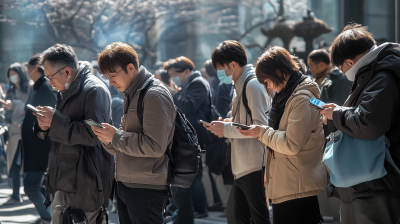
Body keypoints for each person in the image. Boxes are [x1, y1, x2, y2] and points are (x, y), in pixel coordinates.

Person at [320, 23, 400, 224]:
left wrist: (337, 114)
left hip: (375, 183)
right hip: (366, 182)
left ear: (349, 61)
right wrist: (336, 114)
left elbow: (369, 123)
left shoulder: (382, 76)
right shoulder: (375, 74)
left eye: (340, 67)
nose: (343, 72)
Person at [237, 46, 326, 224]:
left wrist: (262, 132)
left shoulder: (300, 98)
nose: (268, 86)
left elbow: (291, 144)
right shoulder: (285, 96)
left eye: (267, 81)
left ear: (278, 71)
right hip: (287, 185)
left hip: (297, 187)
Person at [91, 42, 176, 224]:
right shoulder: (133, 93)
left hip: (146, 188)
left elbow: (155, 146)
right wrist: (108, 138)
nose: (110, 82)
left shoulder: (153, 94)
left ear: (130, 68)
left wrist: (115, 137)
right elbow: (121, 144)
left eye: (112, 75)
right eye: (106, 77)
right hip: (127, 184)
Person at [32, 44, 114, 224]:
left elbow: (94, 135)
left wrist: (55, 121)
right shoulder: (66, 89)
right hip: (63, 181)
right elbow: (61, 127)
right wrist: (44, 126)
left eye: (50, 77)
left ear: (67, 71)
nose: (50, 83)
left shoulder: (94, 90)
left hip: (85, 184)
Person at [205, 40, 272, 224]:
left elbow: (261, 127)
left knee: (256, 217)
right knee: (238, 217)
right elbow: (246, 122)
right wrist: (228, 123)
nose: (220, 73)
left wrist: (226, 128)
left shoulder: (252, 84)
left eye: (221, 68)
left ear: (232, 65)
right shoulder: (240, 84)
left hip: (254, 164)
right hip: (243, 165)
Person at [164, 56, 210, 222]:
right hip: (189, 140)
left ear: (186, 71)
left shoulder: (197, 83)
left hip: (193, 139)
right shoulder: (189, 83)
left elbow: (189, 106)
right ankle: (188, 214)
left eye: (174, 75)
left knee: (192, 179)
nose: (173, 79)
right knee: (187, 181)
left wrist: (174, 93)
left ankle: (199, 210)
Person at [21, 54, 57, 224]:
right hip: (35, 147)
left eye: (28, 67)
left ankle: (48, 217)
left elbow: (46, 119)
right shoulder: (37, 86)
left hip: (40, 148)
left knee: (31, 186)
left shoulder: (46, 87)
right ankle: (48, 216)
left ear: (35, 67)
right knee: (33, 186)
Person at [202, 59, 233, 212]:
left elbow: (221, 113)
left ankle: (229, 206)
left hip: (221, 134)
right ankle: (229, 206)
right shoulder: (224, 84)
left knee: (221, 169)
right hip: (224, 132)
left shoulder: (222, 85)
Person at [1, 62, 31, 206]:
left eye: (15, 74)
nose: (12, 77)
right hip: (14, 133)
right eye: (10, 75)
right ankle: (15, 194)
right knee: (13, 164)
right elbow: (9, 113)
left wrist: (14, 105)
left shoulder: (30, 88)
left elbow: (30, 108)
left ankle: (32, 192)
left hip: (27, 132)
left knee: (28, 166)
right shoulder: (11, 91)